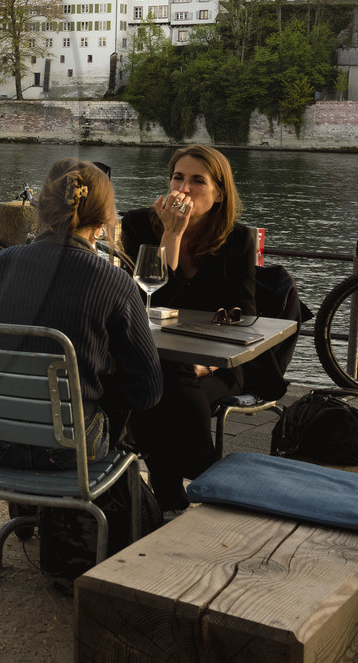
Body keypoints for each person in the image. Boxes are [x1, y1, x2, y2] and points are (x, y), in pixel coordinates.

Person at [0, 158, 162, 470]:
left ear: (41, 208)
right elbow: (148, 391)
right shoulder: (114, 281)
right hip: (64, 450)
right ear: (103, 222)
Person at [124, 144, 256, 511]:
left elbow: (244, 315)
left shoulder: (238, 239)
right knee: (164, 379)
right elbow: (145, 299)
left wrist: (204, 363)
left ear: (219, 193)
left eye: (197, 181)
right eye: (177, 178)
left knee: (162, 388)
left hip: (217, 364)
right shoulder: (137, 224)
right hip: (157, 357)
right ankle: (199, 475)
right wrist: (172, 235)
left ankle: (170, 490)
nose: (183, 189)